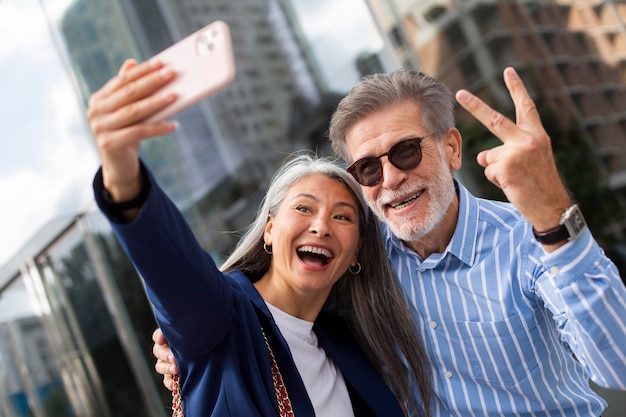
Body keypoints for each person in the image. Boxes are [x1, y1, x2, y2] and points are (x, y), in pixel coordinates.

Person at [154, 67, 626, 416]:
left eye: (406, 151)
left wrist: (552, 216)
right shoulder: (352, 258)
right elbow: (273, 304)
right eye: (368, 168)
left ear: (452, 148)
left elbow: (618, 367)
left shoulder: (529, 242)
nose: (392, 178)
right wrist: (191, 340)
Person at [88, 59, 432, 416]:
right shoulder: (222, 318)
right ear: (269, 230)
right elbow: (172, 267)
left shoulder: (352, 344)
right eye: (303, 208)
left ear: (356, 252)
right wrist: (124, 178)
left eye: (342, 216)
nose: (321, 226)